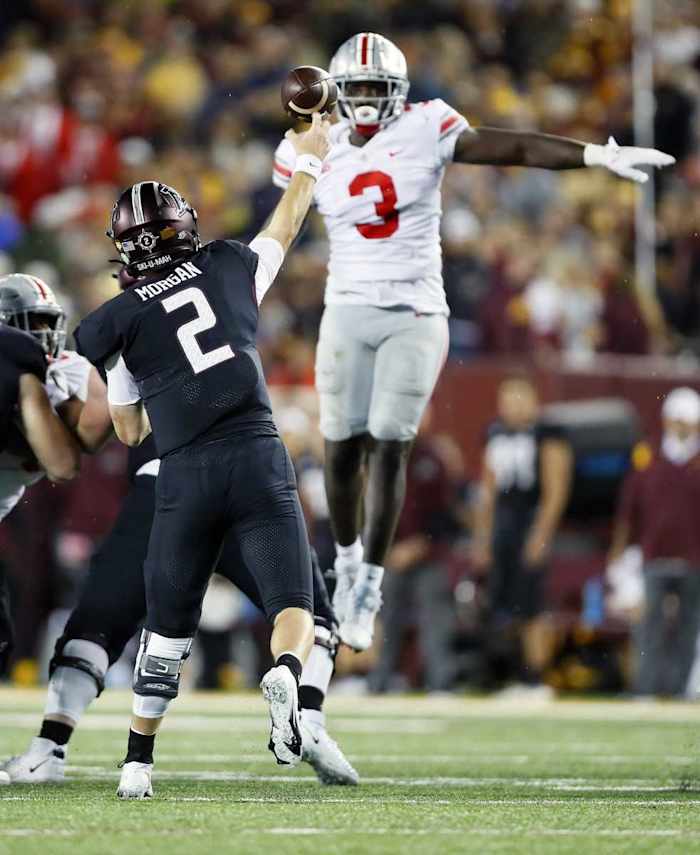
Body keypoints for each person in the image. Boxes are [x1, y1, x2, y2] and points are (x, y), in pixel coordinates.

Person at [272, 32, 675, 652]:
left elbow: (506, 146)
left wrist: (594, 155)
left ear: (401, 94)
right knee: (340, 448)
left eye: (381, 90)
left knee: (388, 443)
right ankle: (348, 559)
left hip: (415, 308)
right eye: (359, 91)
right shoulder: (312, 145)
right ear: (337, 94)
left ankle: (368, 584)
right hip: (346, 306)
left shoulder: (426, 124)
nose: (371, 103)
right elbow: (285, 214)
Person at [74, 114, 331, 799]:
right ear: (185, 226)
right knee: (294, 603)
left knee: (166, 630)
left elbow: (127, 432)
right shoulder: (227, 266)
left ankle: (137, 762)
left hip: (185, 470)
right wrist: (308, 159)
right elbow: (286, 223)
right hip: (257, 452)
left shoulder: (120, 318)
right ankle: (284, 668)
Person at [1, 435, 357, 787]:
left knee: (100, 624)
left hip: (167, 481)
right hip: (251, 477)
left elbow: (116, 425)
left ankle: (55, 748)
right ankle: (309, 719)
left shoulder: (135, 374)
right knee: (306, 609)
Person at [0, 274, 90, 672]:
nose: (43, 333)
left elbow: (67, 463)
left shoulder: (64, 372)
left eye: (46, 321)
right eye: (31, 323)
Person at [472, 376, 573, 693]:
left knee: (532, 605)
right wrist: (482, 537)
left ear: (534, 401)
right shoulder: (494, 433)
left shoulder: (548, 433)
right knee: (504, 605)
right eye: (507, 398)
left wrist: (540, 534)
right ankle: (513, 675)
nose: (513, 405)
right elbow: (486, 491)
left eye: (519, 398)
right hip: (503, 524)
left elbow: (556, 490)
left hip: (529, 521)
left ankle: (537, 677)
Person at [608, 387, 700, 697]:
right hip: (655, 556)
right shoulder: (648, 461)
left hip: (694, 560)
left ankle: (678, 690)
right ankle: (645, 689)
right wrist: (618, 552)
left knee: (688, 629)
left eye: (688, 421)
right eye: (678, 420)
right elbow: (628, 512)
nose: (683, 426)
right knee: (649, 629)